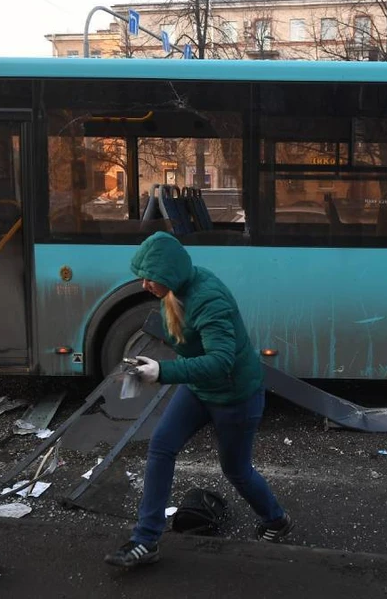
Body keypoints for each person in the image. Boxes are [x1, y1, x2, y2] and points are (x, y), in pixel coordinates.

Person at [105, 231, 293, 569]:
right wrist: (145, 365)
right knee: (161, 446)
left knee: (235, 470)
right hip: (200, 389)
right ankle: (146, 540)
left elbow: (221, 361)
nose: (145, 284)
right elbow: (188, 340)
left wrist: (162, 371)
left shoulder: (209, 299)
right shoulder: (175, 288)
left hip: (235, 397)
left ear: (170, 274)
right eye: (143, 276)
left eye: (151, 278)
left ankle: (277, 520)